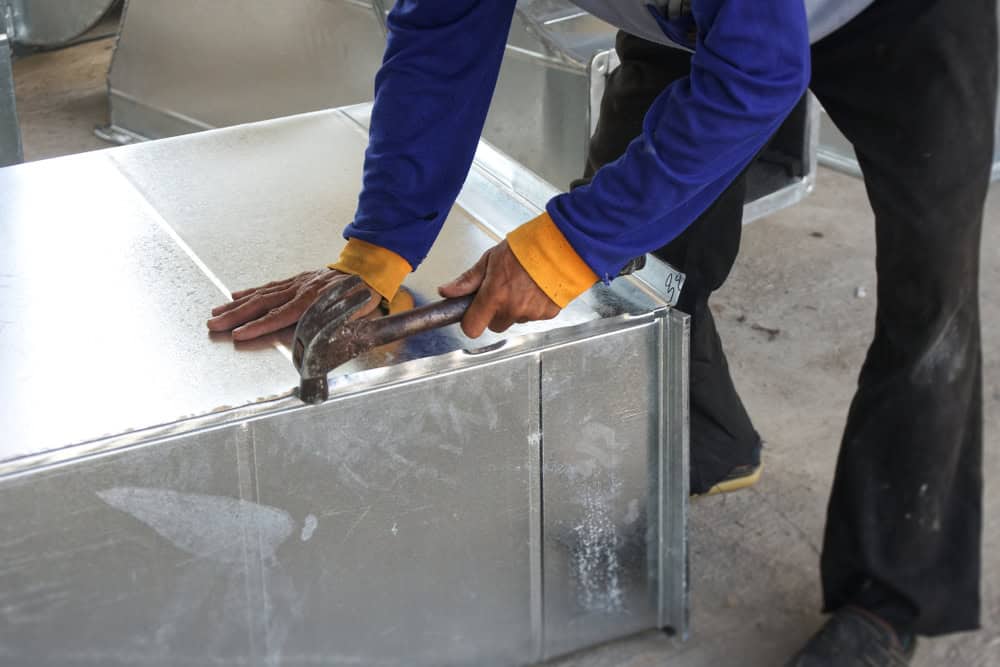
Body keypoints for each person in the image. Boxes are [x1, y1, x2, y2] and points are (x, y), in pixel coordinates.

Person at [207, 1, 996, 663]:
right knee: (644, 270)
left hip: (897, 18)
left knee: (930, 296)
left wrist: (564, 247)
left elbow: (759, 69)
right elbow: (444, 35)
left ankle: (890, 596)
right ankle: (704, 439)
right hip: (692, 17)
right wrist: (378, 249)